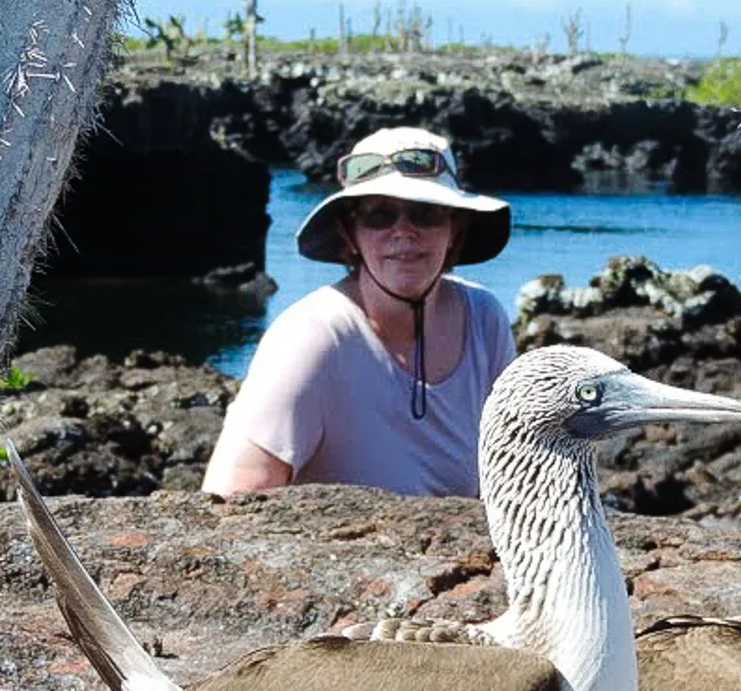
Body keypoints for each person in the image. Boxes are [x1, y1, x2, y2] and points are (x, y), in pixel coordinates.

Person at [202, 127, 517, 498]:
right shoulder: (311, 338)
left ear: (454, 229)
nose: (403, 232)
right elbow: (231, 499)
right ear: (350, 233)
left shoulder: (484, 319)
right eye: (380, 216)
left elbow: (517, 476)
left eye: (425, 213)